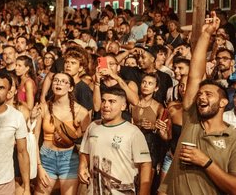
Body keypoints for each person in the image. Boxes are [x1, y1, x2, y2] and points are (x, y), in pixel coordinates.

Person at [159, 12, 236, 194]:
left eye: (209, 94)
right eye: (200, 94)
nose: (201, 97)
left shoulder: (232, 139)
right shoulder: (191, 121)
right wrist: (206, 34)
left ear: (224, 102)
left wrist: (205, 162)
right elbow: (194, 74)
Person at [78, 86, 152, 195]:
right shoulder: (93, 127)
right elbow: (85, 151)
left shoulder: (133, 132)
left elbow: (145, 164)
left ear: (123, 106)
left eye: (112, 101)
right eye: (103, 101)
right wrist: (82, 166)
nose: (106, 105)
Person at [35, 72, 90, 195]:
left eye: (64, 81)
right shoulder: (43, 108)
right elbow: (34, 138)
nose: (58, 83)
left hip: (70, 159)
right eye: (56, 80)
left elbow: (87, 143)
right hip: (46, 158)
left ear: (70, 88)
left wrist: (84, 165)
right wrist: (38, 166)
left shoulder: (81, 112)